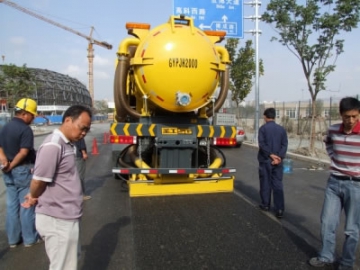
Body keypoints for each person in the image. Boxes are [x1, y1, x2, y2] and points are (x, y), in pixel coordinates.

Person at [24, 104, 92, 270]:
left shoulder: (67, 143)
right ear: (68, 120)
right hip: (57, 219)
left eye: (87, 130)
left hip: (65, 216)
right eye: (82, 128)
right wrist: (33, 196)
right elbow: (38, 181)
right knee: (63, 266)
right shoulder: (53, 145)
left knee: (69, 262)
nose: (83, 133)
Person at [309, 97, 360, 270]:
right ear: (341, 115)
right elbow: (328, 143)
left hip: (356, 185)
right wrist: (335, 158)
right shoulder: (333, 130)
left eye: (354, 116)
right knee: (327, 222)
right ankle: (326, 256)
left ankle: (346, 263)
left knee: (352, 228)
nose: (351, 120)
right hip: (334, 182)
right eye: (347, 116)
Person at [0, 98, 41, 248]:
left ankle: (13, 239)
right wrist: (12, 165)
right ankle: (30, 238)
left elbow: (0, 148)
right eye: (32, 114)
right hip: (22, 169)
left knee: (11, 206)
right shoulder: (25, 129)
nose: (33, 117)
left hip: (7, 172)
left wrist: (5, 162)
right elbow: (24, 152)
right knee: (26, 204)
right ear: (24, 114)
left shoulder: (5, 127)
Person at [257, 107, 288, 218]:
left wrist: (270, 155)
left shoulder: (263, 129)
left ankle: (265, 204)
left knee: (265, 182)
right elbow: (284, 144)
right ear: (274, 117)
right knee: (277, 184)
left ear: (265, 117)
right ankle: (279, 209)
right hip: (278, 162)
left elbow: (262, 144)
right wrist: (278, 157)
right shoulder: (281, 129)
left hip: (266, 160)